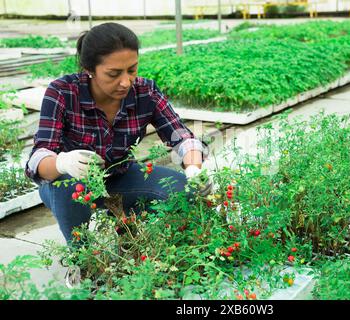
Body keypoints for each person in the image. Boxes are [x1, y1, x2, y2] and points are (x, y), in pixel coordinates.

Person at [25, 22, 211, 244]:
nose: (125, 82)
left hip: (121, 176)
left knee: (185, 190)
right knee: (70, 188)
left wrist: (192, 168)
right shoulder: (63, 92)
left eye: (132, 70)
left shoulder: (145, 91)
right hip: (70, 185)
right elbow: (37, 160)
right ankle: (83, 258)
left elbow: (181, 137)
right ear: (89, 69)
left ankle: (126, 223)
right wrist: (61, 163)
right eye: (113, 74)